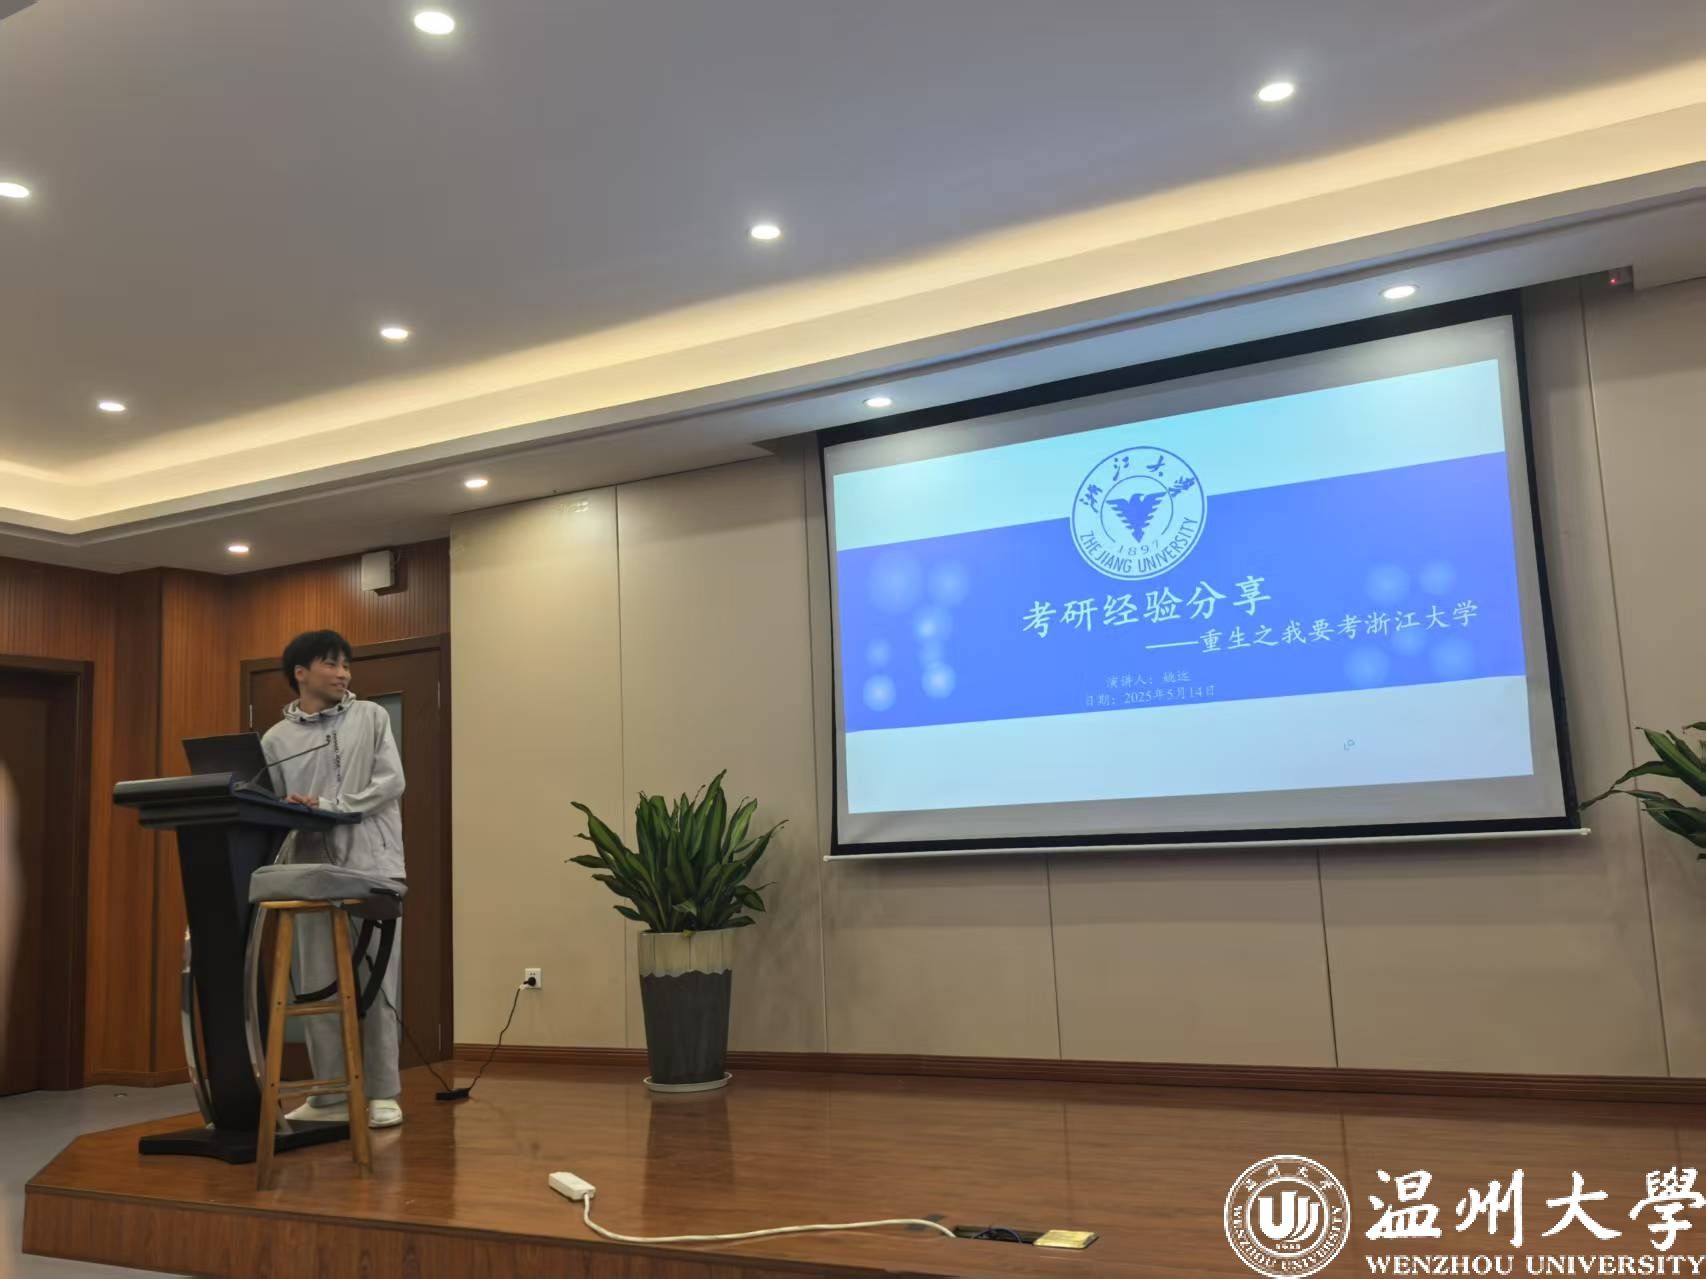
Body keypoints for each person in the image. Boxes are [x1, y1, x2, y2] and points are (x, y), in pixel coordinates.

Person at [262, 630, 407, 1129]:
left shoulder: (371, 716)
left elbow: (391, 782)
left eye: (346, 664)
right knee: (316, 987)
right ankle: (329, 1094)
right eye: (331, 663)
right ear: (301, 673)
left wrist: (332, 806)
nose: (343, 673)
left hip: (372, 866)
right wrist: (292, 809)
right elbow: (271, 807)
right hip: (308, 874)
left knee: (377, 984)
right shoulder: (275, 741)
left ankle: (383, 1092)